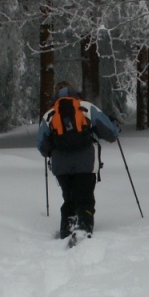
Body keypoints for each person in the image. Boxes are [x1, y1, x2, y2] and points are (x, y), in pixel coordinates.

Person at [36, 80, 120, 239]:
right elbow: (109, 133)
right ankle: (83, 227)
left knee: (69, 197)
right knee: (85, 197)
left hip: (60, 165)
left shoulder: (50, 114)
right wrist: (115, 129)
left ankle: (66, 229)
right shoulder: (86, 107)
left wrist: (51, 153)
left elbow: (41, 144)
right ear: (74, 92)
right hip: (85, 162)